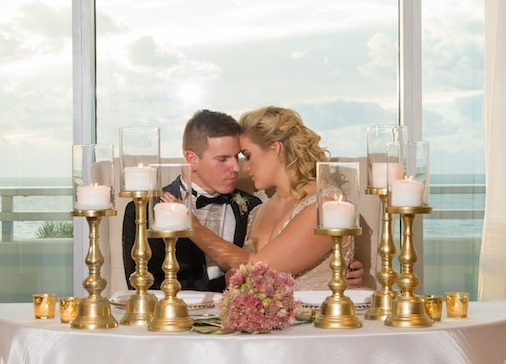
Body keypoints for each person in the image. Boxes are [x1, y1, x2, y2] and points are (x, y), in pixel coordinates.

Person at [184, 106, 356, 291]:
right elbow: (239, 275)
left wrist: (192, 227)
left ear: (275, 149)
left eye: (247, 156)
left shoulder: (326, 205)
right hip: (264, 318)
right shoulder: (257, 210)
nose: (243, 167)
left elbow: (256, 269)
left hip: (317, 316)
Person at [122, 110, 262, 292]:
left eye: (237, 157)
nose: (236, 167)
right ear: (192, 159)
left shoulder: (253, 206)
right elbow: (143, 287)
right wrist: (221, 285)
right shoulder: (144, 210)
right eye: (223, 159)